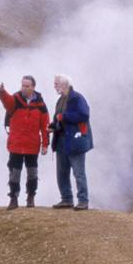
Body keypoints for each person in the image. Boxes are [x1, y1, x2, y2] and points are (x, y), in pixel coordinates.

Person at [0, 76, 49, 207]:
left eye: (27, 86)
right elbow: (7, 102)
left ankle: (31, 197)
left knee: (32, 173)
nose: (24, 88)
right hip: (16, 145)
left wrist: (45, 145)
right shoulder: (15, 99)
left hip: (32, 145)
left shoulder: (40, 103)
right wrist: (2, 92)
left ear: (33, 87)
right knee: (14, 173)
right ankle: (13, 198)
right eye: (22, 85)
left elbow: (45, 126)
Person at [49, 74, 93, 210]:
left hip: (75, 141)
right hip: (62, 139)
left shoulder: (77, 98)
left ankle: (83, 201)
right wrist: (52, 126)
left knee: (78, 172)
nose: (54, 86)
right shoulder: (61, 100)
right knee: (62, 172)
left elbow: (84, 115)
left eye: (56, 83)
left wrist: (65, 116)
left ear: (64, 84)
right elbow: (58, 119)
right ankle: (66, 199)